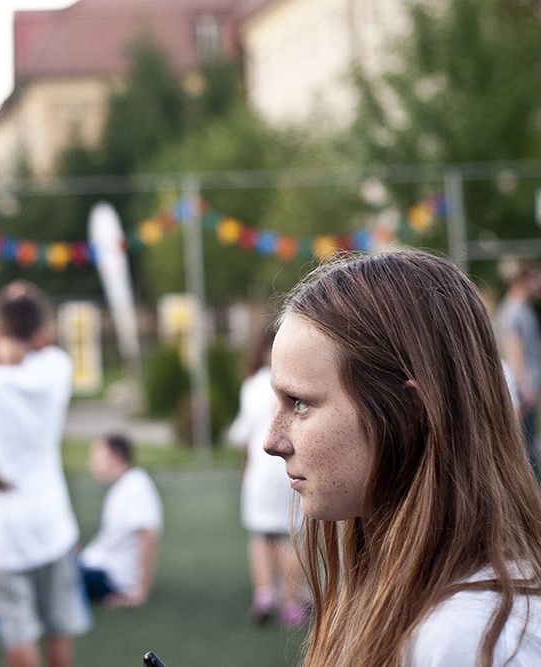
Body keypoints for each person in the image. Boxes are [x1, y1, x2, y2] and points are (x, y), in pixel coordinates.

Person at [264, 249, 541, 666]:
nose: (272, 439)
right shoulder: (408, 596)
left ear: (409, 411)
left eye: (299, 403)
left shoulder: (465, 639)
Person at [0, 281, 91, 667]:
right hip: (52, 523)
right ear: (40, 331)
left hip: (1, 534)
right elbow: (47, 344)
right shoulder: (56, 369)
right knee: (59, 628)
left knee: (19, 633)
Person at [227, 324, 307, 627]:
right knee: (290, 537)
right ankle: (291, 602)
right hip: (290, 469)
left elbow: (242, 432)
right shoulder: (295, 385)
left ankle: (264, 595)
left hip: (260, 470)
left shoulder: (253, 385)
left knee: (262, 535)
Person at [78, 433, 162, 608]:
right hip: (97, 566)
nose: (92, 465)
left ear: (116, 457)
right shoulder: (122, 486)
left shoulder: (136, 485)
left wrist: (140, 592)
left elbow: (147, 535)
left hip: (110, 577)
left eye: (97, 458)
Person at [496, 257, 541, 477]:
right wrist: (524, 387)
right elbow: (514, 348)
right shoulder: (513, 311)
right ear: (522, 279)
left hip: (528, 385)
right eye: (534, 278)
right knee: (525, 445)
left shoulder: (524, 309)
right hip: (523, 388)